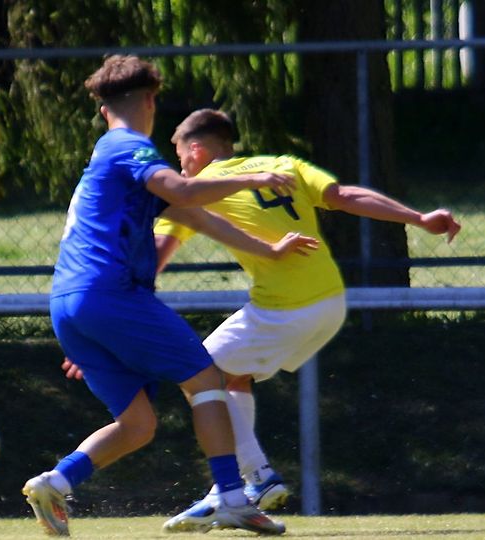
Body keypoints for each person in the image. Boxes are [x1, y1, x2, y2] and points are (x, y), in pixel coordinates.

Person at [64, 108, 461, 531]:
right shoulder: (282, 165)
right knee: (231, 377)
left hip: (285, 307)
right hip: (330, 302)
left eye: (180, 158)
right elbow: (346, 196)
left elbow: (156, 256)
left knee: (199, 375)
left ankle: (255, 478)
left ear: (195, 150)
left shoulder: (199, 189)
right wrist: (419, 218)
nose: (181, 169)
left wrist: (106, 328)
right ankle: (228, 490)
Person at [24, 56, 317, 537]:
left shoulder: (111, 158)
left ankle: (55, 482)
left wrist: (268, 250)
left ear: (103, 110)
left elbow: (196, 214)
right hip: (111, 295)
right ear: (150, 101)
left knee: (137, 425)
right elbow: (181, 187)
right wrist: (255, 177)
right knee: (206, 377)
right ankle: (232, 497)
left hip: (71, 305)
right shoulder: (127, 146)